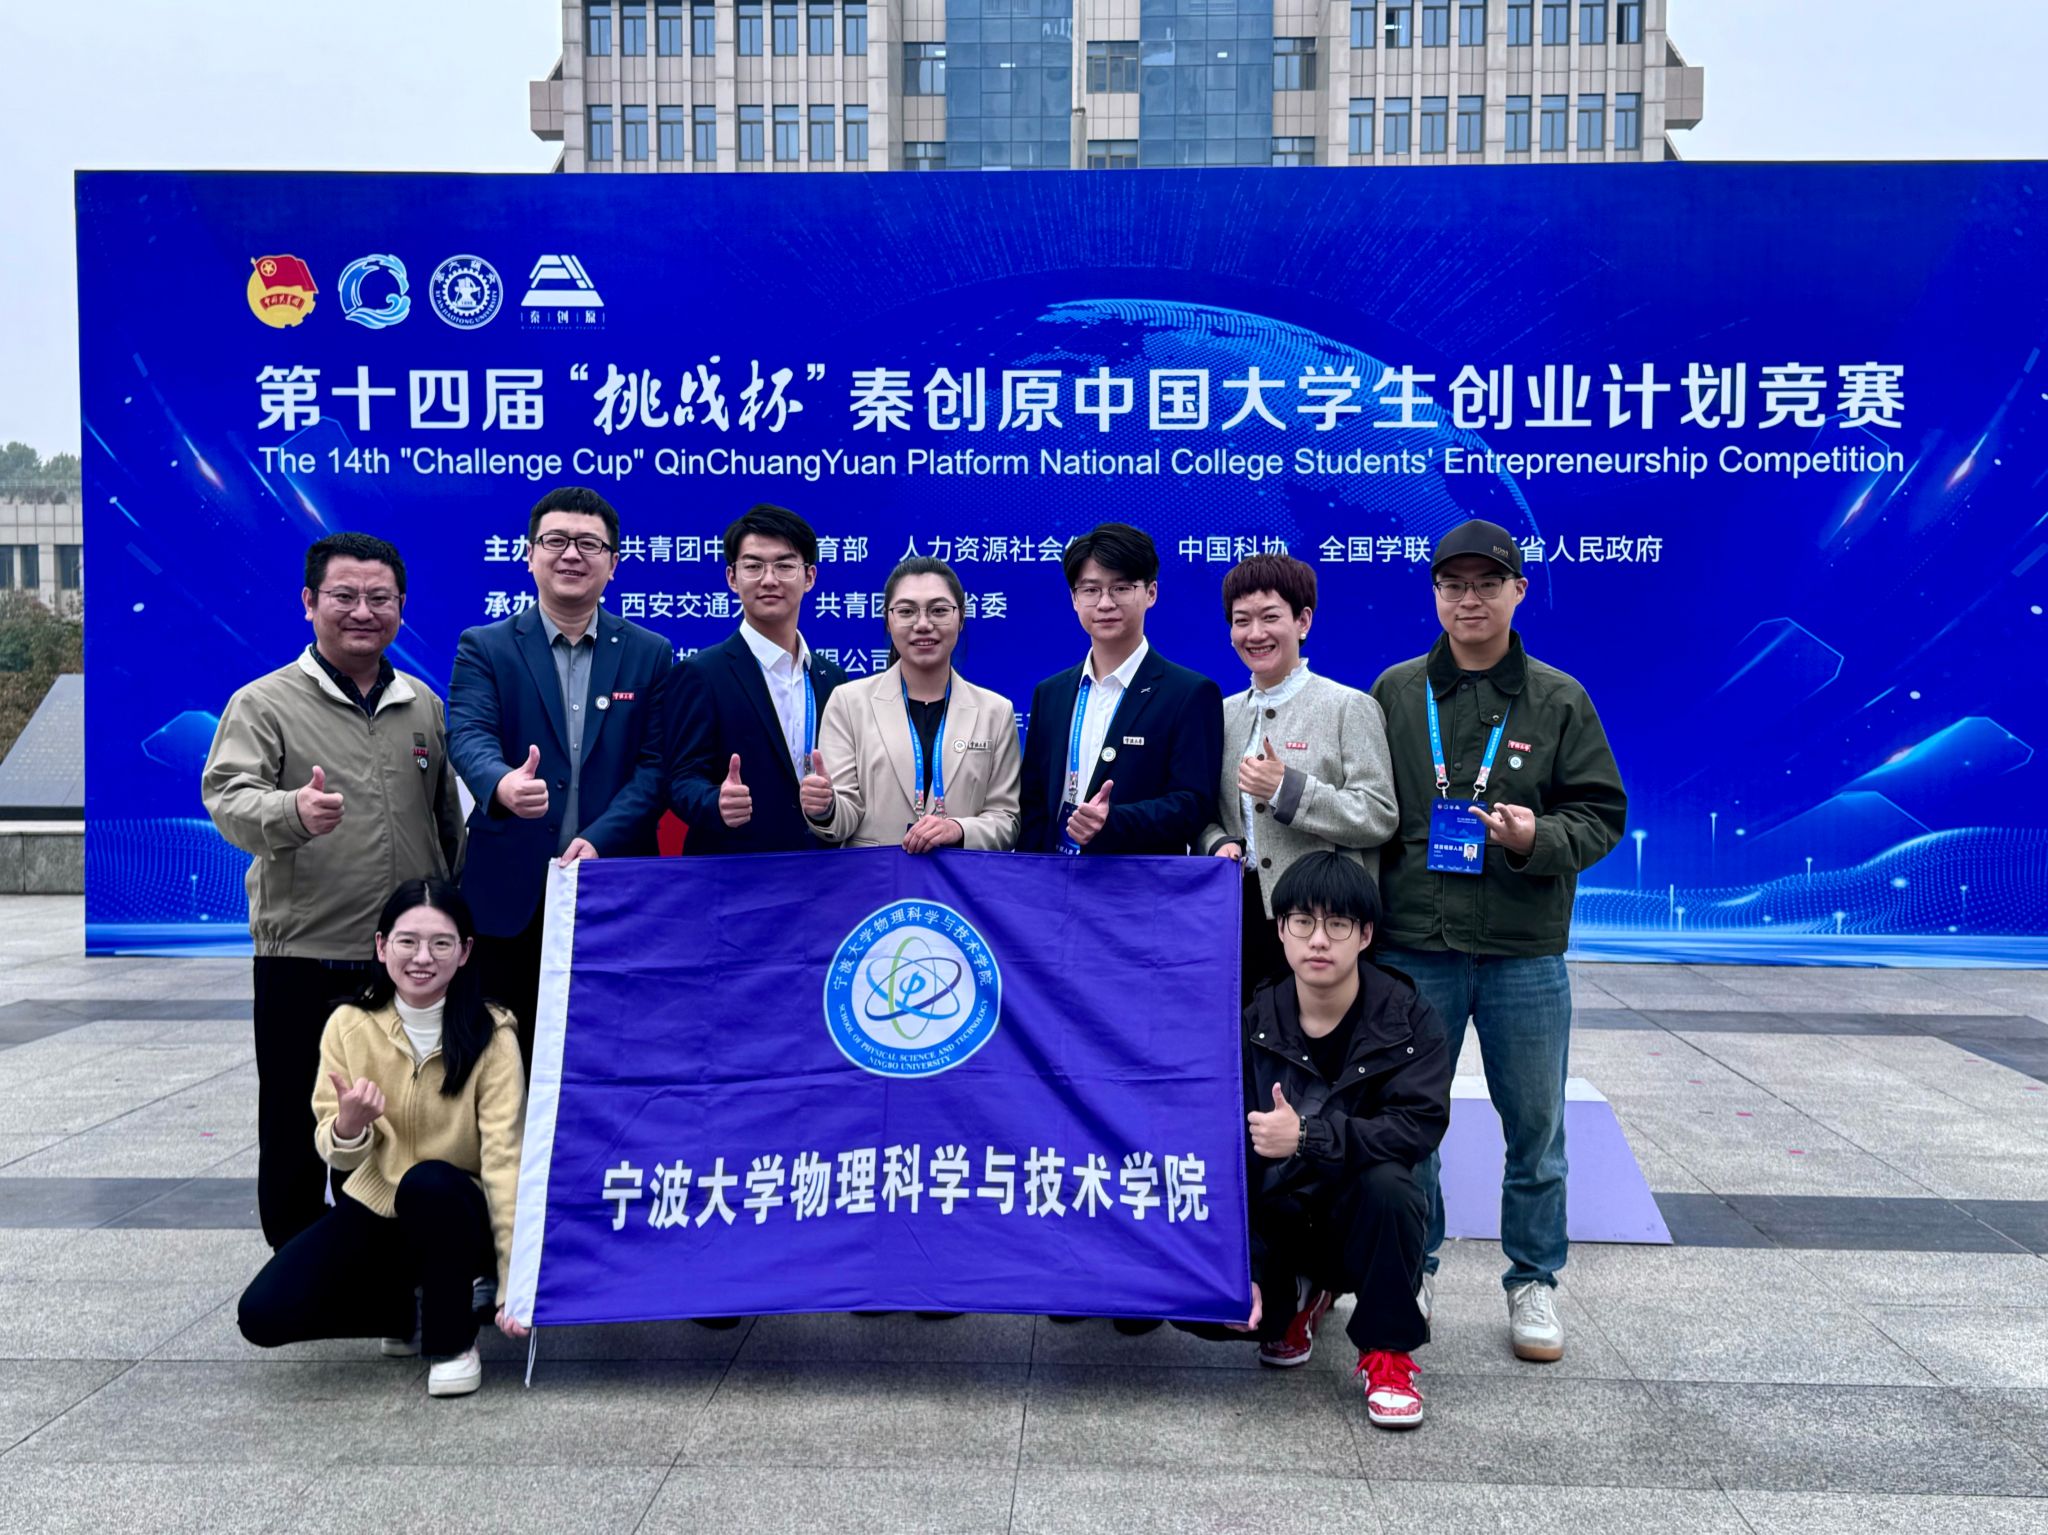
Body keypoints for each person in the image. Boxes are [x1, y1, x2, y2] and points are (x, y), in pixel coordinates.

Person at [1370, 519, 1627, 1363]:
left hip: (1524, 949)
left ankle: (1533, 1280)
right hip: (1416, 942)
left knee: (1536, 1127)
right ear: (1435, 594)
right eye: (1453, 584)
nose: (1469, 599)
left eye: (1487, 583)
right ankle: (1413, 1266)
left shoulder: (1558, 698)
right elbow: (1371, 809)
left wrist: (1534, 837)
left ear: (1519, 590)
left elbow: (1602, 814)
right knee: (1411, 1123)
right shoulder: (1396, 691)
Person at [202, 532, 465, 1251]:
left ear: (401, 607)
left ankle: (384, 1266)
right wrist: (292, 811)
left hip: (402, 964)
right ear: (309, 602)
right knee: (296, 1120)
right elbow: (228, 797)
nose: (362, 611)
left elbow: (446, 824)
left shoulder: (421, 706)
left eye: (380, 597)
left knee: (398, 1119)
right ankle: (295, 1264)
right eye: (344, 596)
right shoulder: (264, 702)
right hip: (305, 955)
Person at [1177, 852, 1448, 1428]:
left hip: (1358, 1223)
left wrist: (1307, 1136)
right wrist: (1244, 1268)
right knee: (1203, 1309)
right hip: (1281, 1222)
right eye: (1302, 922)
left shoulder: (1408, 1019)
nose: (1318, 940)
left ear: (1365, 934)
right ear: (1280, 930)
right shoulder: (1250, 1022)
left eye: (1337, 925)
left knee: (1391, 1186)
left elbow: (1416, 1126)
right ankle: (1298, 1297)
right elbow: (1225, 1157)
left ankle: (1388, 1355)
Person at [237, 880, 526, 1397]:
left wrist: (513, 1280)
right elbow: (333, 1145)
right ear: (381, 947)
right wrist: (349, 1126)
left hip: (462, 1212)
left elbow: (505, 1161)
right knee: (262, 1314)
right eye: (407, 941)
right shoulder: (348, 1026)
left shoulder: (494, 1035)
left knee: (429, 1183)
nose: (423, 957)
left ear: (464, 952)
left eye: (441, 943)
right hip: (380, 1205)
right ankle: (404, 1312)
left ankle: (454, 1342)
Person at [447, 486, 673, 1064]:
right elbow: (468, 735)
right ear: (529, 555)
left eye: (589, 544)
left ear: (613, 563)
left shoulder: (649, 652)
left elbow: (654, 767)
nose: (571, 554)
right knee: (503, 1063)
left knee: (613, 1056)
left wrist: (601, 838)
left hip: (614, 886)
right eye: (555, 541)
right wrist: (501, 783)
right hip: (509, 895)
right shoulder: (485, 647)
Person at [1198, 554, 1398, 1008]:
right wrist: (1216, 842)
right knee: (1244, 1041)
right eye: (1241, 621)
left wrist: (1288, 789)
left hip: (1323, 923)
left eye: (1270, 617)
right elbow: (1205, 813)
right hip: (1236, 916)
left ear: (1303, 621)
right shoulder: (1222, 715)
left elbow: (1378, 815)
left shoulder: (1348, 707)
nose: (1255, 634)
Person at [1017, 522, 1222, 859]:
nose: (1105, 603)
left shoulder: (1189, 693)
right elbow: (1034, 803)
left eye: (1121, 588)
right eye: (1091, 590)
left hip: (1138, 883)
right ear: (1074, 599)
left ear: (1151, 593)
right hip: (1053, 879)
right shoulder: (1050, 693)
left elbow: (1193, 804)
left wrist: (1114, 821)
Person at [658, 504, 849, 854]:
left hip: (820, 869)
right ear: (732, 578)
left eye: (785, 565)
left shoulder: (832, 679)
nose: (769, 579)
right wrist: (715, 802)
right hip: (734, 871)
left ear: (809, 577)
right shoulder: (701, 674)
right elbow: (680, 780)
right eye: (754, 566)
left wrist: (829, 804)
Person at [804, 556, 1022, 852]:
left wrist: (959, 829)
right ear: (888, 620)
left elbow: (1006, 820)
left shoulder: (995, 711)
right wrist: (826, 807)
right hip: (874, 877)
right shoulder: (849, 703)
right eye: (906, 611)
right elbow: (844, 817)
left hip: (958, 880)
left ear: (961, 618)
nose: (923, 624)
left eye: (939, 610)